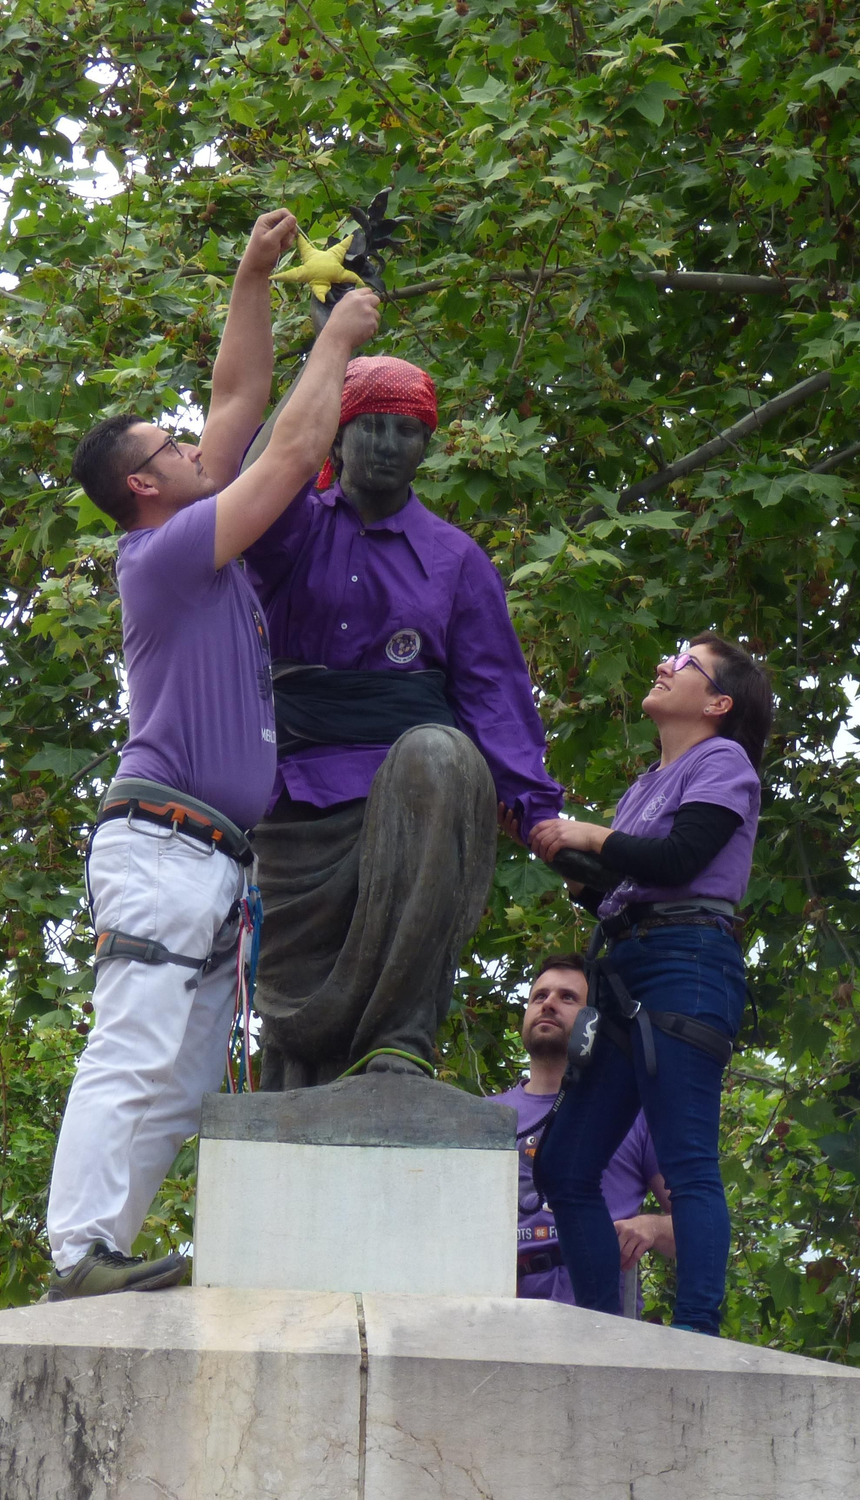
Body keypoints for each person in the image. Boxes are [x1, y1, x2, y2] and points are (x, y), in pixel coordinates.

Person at [44, 208, 382, 1301]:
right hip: (162, 847)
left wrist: (253, 275)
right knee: (135, 1051)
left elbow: (237, 403)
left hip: (210, 858)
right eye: (169, 450)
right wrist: (340, 335)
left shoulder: (190, 526)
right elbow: (288, 451)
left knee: (183, 1080)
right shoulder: (169, 550)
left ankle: (103, 1261)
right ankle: (76, 1253)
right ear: (143, 487)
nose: (191, 449)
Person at [238, 354, 565, 1089]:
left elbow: (495, 693)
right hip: (292, 792)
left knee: (440, 756)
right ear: (337, 435)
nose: (387, 445)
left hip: (408, 796)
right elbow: (257, 475)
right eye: (370, 427)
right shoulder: (289, 527)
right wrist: (323, 357)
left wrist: (535, 808)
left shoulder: (456, 559)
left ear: (427, 447)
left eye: (405, 431)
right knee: (297, 1042)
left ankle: (401, 1038)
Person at [527, 633, 773, 1333]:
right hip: (627, 969)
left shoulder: (723, 760)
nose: (665, 665)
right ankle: (604, 1328)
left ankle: (698, 1332)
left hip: (687, 965)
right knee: (567, 1166)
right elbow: (620, 880)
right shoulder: (643, 787)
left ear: (719, 702)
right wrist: (553, 848)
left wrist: (587, 834)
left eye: (685, 663)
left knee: (687, 1158)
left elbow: (678, 858)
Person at [492, 952, 673, 1316]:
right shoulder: (484, 1117)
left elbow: (696, 1224)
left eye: (568, 997)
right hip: (500, 1314)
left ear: (596, 1022)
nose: (549, 1005)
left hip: (599, 1313)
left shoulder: (631, 1113)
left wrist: (651, 1226)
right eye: (538, 997)